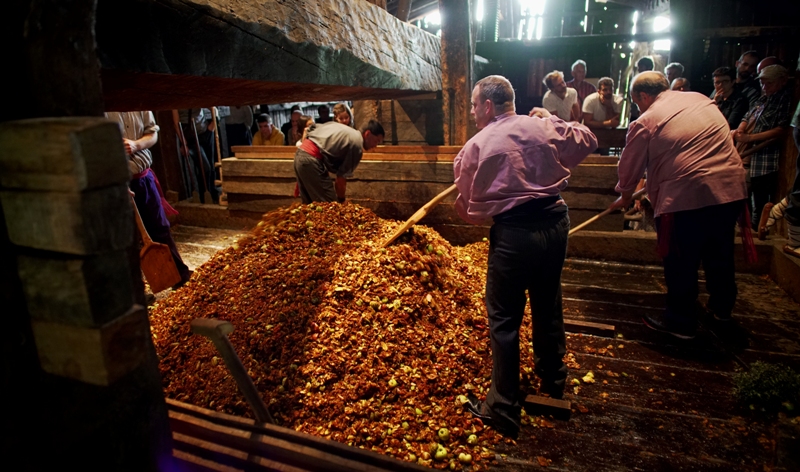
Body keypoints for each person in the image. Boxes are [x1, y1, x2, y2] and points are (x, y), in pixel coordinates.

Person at [455, 75, 597, 438]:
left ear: (488, 105)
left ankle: (502, 406)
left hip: (515, 233)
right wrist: (552, 120)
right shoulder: (543, 126)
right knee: (547, 299)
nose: (472, 113)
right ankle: (553, 377)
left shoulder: (476, 146)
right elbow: (587, 140)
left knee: (503, 317)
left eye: (473, 105)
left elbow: (468, 210)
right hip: (555, 222)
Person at [611, 72, 748, 339]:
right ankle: (722, 310)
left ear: (642, 96)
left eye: (636, 101)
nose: (638, 107)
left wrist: (625, 194)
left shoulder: (647, 120)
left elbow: (630, 167)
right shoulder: (701, 101)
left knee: (681, 259)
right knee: (719, 253)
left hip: (687, 195)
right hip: (729, 188)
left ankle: (681, 321)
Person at [105, 111, 192, 290]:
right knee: (126, 237)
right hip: (117, 180)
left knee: (160, 227)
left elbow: (152, 133)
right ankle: (135, 290)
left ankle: (179, 275)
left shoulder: (138, 105)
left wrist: (136, 145)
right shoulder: (102, 108)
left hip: (144, 177)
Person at [733, 65, 792, 230]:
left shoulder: (784, 99)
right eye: (763, 83)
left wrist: (751, 137)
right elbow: (747, 115)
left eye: (769, 83)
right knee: (744, 197)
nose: (765, 87)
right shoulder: (763, 98)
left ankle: (758, 232)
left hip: (764, 160)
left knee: (760, 201)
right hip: (748, 156)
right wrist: (741, 129)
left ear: (782, 81)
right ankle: (747, 229)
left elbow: (781, 130)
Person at [294, 120, 384, 203]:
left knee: (309, 206)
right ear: (367, 134)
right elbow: (340, 179)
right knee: (330, 208)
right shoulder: (356, 144)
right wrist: (341, 201)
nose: (375, 146)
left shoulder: (345, 130)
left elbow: (309, 129)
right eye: (377, 141)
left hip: (300, 155)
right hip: (310, 160)